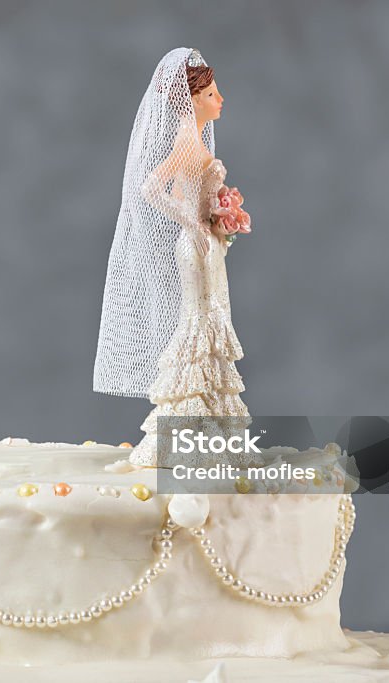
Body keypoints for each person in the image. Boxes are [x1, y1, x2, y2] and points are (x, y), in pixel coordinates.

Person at [93, 48, 249, 466]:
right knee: (198, 321)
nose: (221, 99)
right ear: (193, 98)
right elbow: (150, 189)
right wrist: (194, 223)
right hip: (194, 247)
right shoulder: (185, 142)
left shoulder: (194, 139)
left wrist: (219, 217)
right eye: (213, 93)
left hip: (209, 245)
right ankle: (185, 424)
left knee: (211, 316)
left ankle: (207, 428)